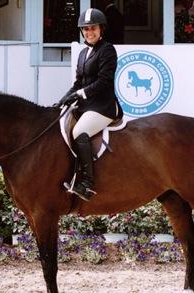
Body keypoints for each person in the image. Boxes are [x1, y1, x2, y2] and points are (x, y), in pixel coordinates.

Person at [56, 8, 123, 201]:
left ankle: (87, 183)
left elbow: (104, 81)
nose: (89, 32)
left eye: (92, 28)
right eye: (85, 29)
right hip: (86, 106)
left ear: (101, 29)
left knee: (79, 133)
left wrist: (79, 94)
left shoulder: (108, 50)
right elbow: (78, 82)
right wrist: (63, 99)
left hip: (103, 106)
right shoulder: (83, 53)